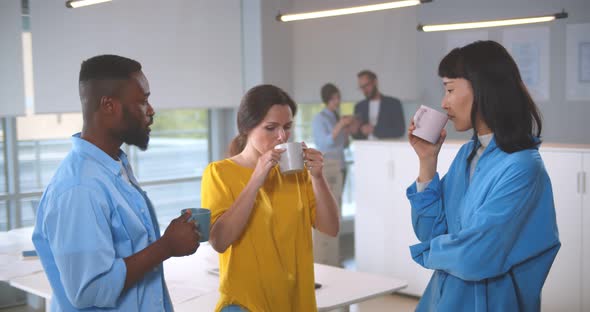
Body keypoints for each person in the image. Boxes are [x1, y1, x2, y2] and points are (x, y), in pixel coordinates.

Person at [32, 55, 200, 311]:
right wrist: (166, 246)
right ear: (109, 106)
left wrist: (172, 236)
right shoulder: (79, 188)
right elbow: (89, 291)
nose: (151, 110)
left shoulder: (113, 166)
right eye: (143, 101)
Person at [406, 40, 560, 311]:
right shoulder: (468, 154)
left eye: (450, 89)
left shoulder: (523, 167)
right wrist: (427, 161)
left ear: (483, 88)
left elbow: (476, 255)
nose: (444, 103)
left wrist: (429, 251)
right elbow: (429, 231)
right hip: (443, 301)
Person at [201, 84, 340, 312]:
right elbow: (219, 241)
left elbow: (331, 227)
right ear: (247, 128)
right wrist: (257, 178)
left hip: (296, 302)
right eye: (270, 128)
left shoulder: (297, 175)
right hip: (246, 303)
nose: (281, 136)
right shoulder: (219, 173)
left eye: (287, 127)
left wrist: (317, 177)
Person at [311, 83, 354, 266]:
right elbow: (325, 143)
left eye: (339, 98)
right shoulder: (319, 119)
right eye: (335, 98)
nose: (338, 101)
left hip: (341, 165)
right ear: (328, 99)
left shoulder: (336, 117)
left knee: (338, 207)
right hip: (328, 167)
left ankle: (335, 253)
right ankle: (325, 254)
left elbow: (343, 144)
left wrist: (346, 130)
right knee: (328, 208)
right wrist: (339, 126)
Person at [352, 70, 405, 139]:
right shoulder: (359, 106)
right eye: (361, 87)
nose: (364, 90)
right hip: (365, 147)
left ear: (375, 82)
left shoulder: (394, 104)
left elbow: (400, 131)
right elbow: (357, 135)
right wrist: (354, 130)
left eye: (366, 85)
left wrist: (374, 130)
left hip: (388, 148)